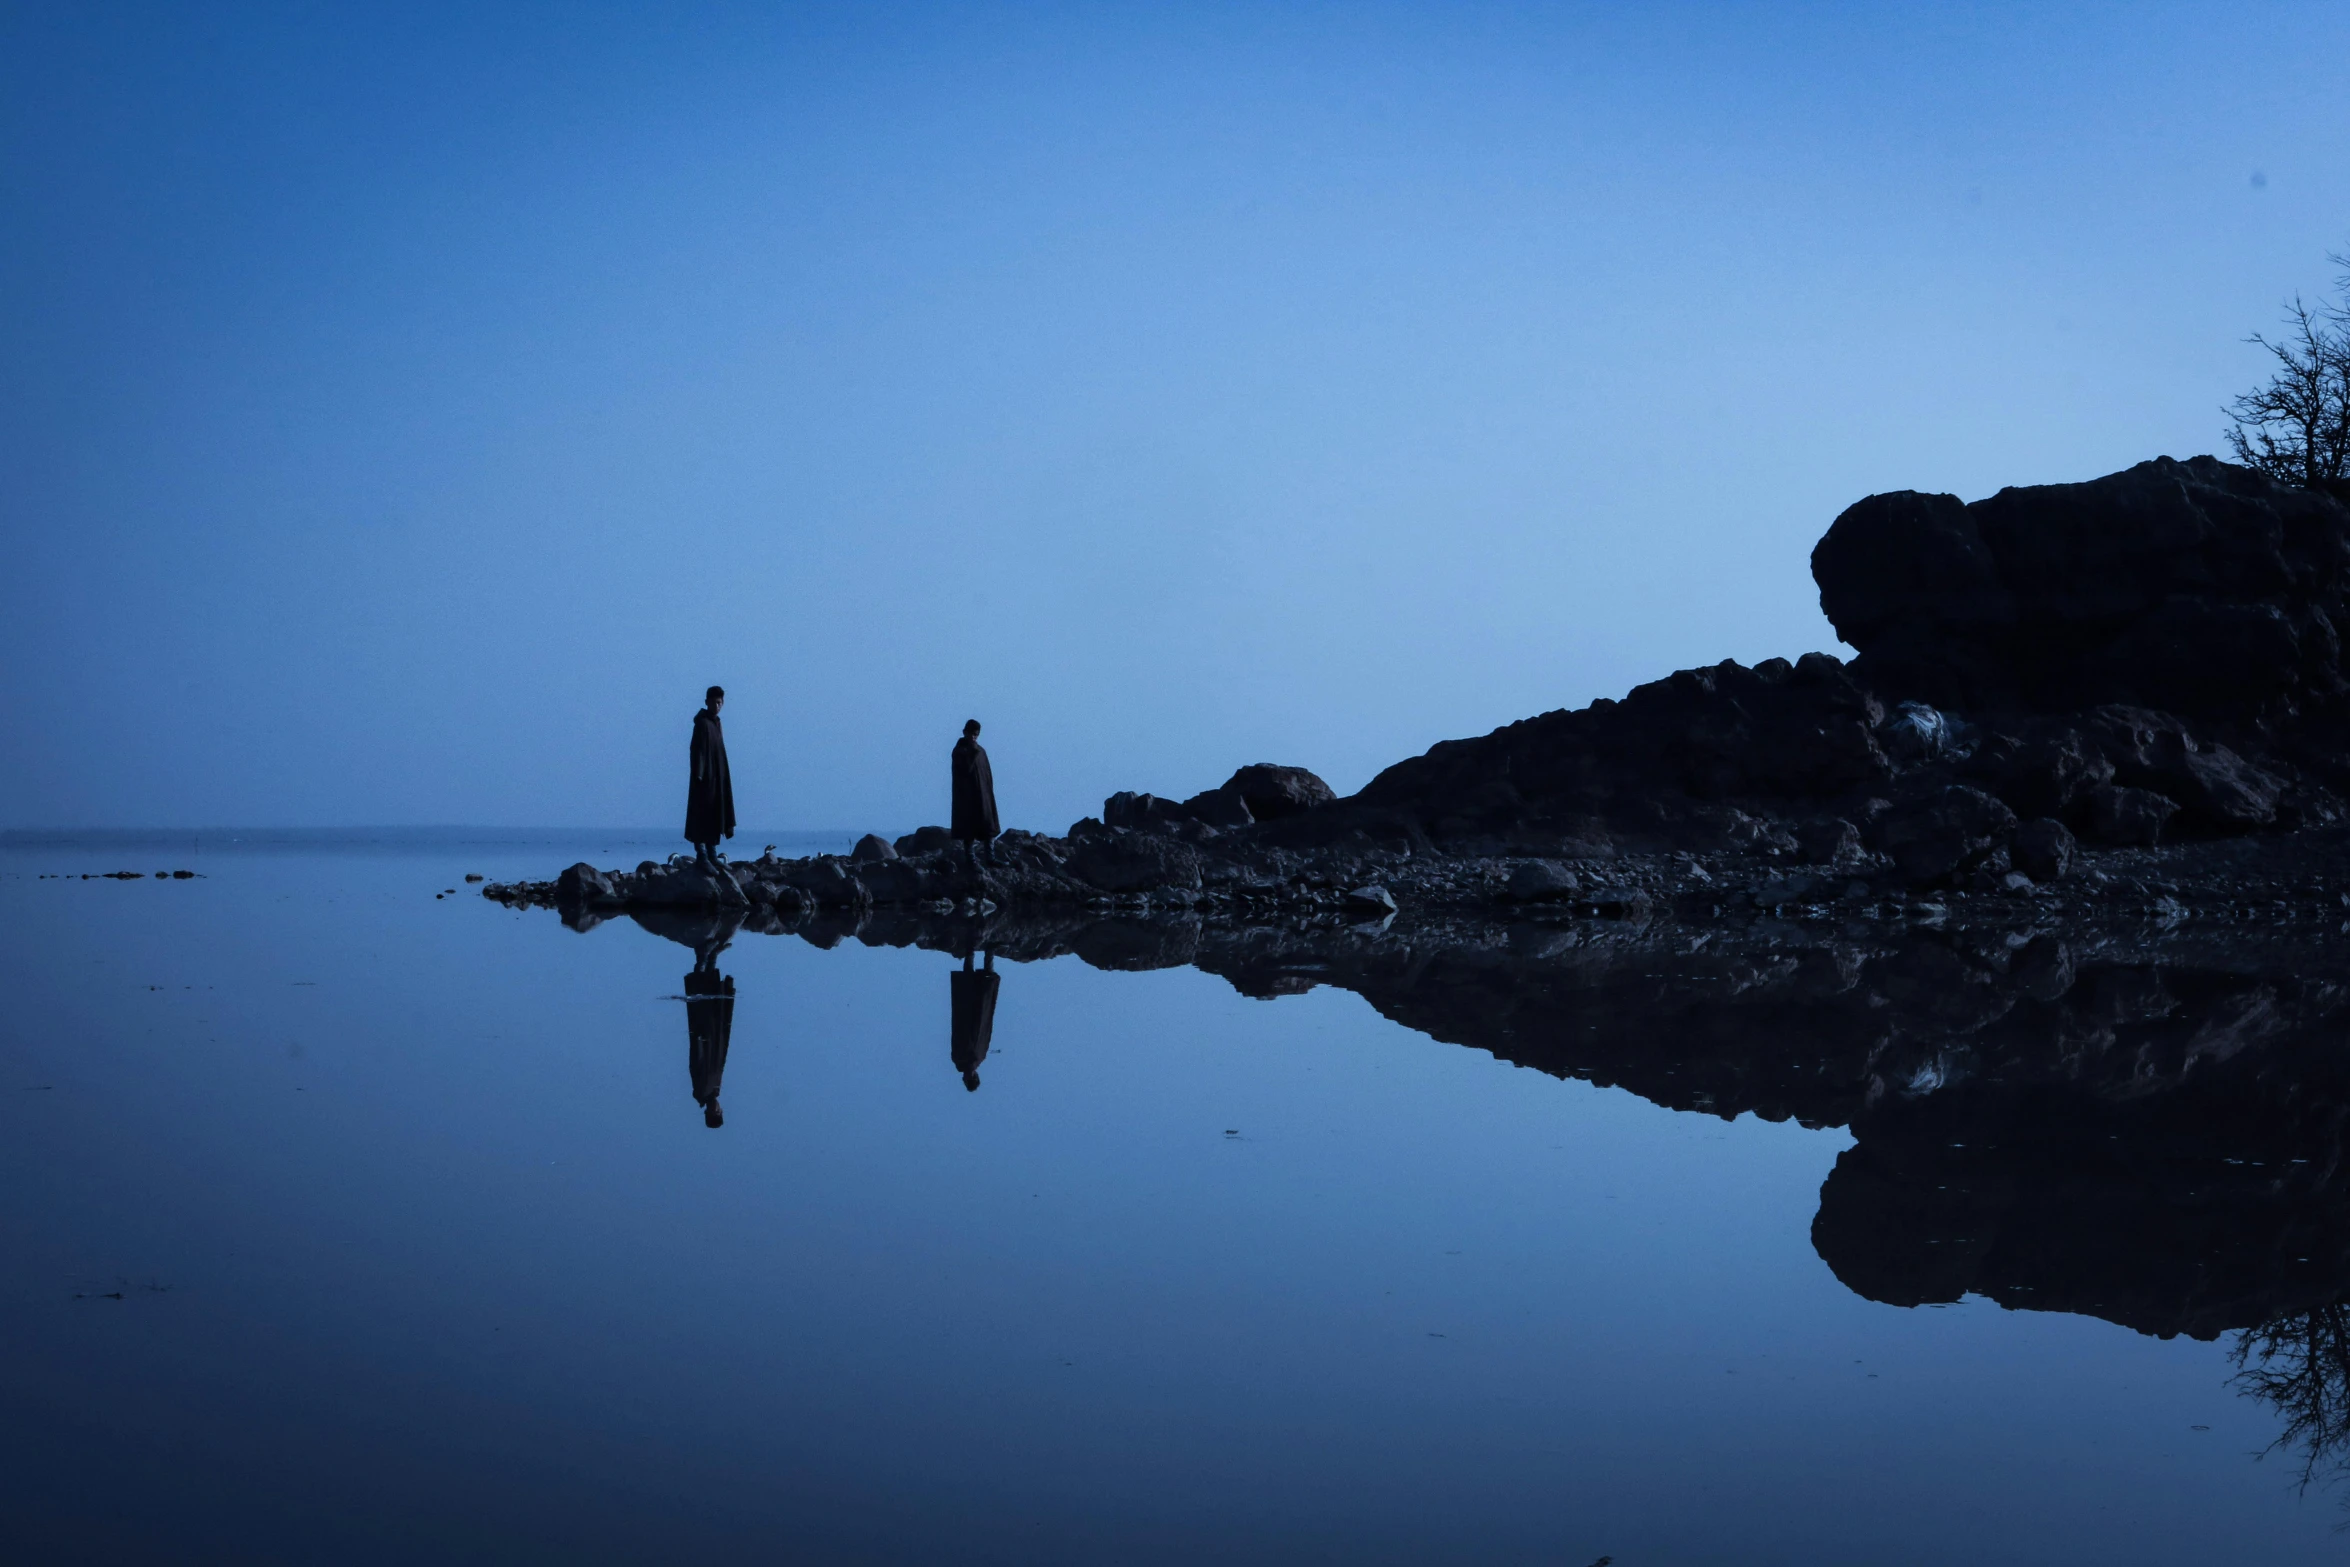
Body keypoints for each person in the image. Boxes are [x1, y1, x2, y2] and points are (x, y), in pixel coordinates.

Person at [683, 935, 735, 1129]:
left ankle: (703, 955)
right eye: (719, 1111)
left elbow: (695, 1064)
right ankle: (712, 956)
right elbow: (720, 1060)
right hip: (715, 1037)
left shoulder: (701, 1092)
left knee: (700, 998)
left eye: (713, 1112)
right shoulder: (715, 1090)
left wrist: (698, 1040)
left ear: (708, 1112)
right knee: (714, 1003)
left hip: (702, 1037)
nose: (716, 1109)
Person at [686, 686, 735, 865]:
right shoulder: (702, 723)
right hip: (704, 779)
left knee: (715, 813)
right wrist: (699, 774)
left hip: (717, 778)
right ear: (707, 702)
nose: (717, 706)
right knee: (701, 814)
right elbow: (696, 750)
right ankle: (702, 854)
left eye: (720, 703)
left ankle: (713, 853)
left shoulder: (716, 724)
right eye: (714, 702)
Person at [950, 950, 999, 1092]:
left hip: (964, 1015)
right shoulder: (979, 1056)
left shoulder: (959, 1059)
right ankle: (989, 952)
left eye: (969, 1078)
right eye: (973, 1077)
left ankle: (970, 951)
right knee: (985, 984)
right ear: (976, 1075)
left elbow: (957, 1033)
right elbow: (985, 1027)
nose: (969, 1075)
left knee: (968, 984)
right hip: (977, 1013)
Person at [950, 719, 999, 847]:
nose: (973, 737)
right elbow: (965, 770)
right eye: (970, 734)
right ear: (964, 732)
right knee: (969, 830)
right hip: (967, 797)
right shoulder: (959, 751)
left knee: (988, 826)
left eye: (975, 734)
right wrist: (972, 752)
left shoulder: (981, 751)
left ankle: (990, 857)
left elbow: (987, 774)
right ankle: (971, 860)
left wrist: (988, 792)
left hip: (983, 795)